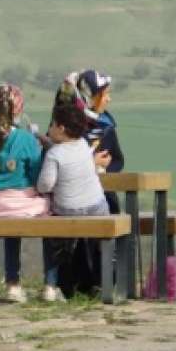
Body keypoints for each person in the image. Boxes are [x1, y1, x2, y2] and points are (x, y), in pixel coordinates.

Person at [0, 84, 48, 303]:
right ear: (17, 110)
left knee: (11, 229)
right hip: (22, 203)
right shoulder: (26, 139)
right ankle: (51, 284)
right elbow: (36, 175)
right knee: (51, 212)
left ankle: (12, 283)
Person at [37, 105, 110, 302]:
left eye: (52, 125)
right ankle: (104, 281)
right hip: (96, 208)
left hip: (67, 210)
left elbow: (45, 185)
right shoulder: (85, 147)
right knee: (104, 219)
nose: (49, 128)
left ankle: (51, 285)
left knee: (51, 239)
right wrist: (46, 142)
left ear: (61, 128)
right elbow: (67, 153)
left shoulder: (54, 155)